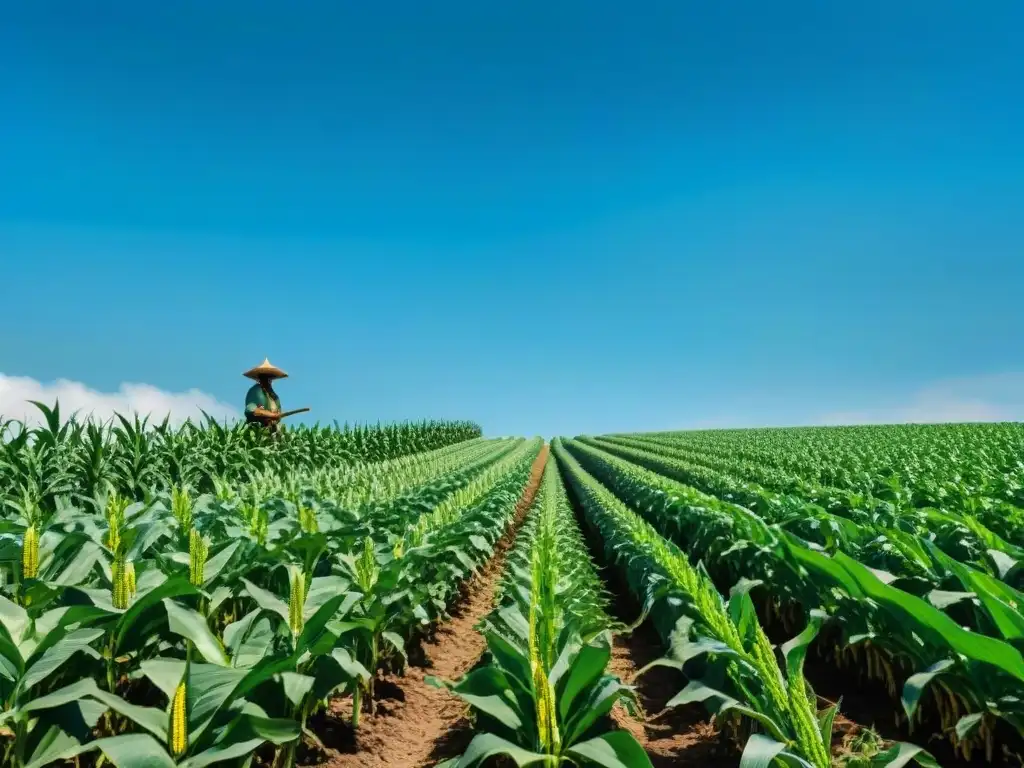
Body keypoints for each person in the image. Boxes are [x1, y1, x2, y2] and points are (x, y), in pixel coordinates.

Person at [243, 358, 287, 435]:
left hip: (272, 430)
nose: (268, 380)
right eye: (264, 377)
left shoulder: (273, 395)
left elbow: (278, 412)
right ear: (260, 378)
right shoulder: (256, 391)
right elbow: (250, 409)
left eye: (269, 378)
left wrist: (277, 416)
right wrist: (269, 414)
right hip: (257, 430)